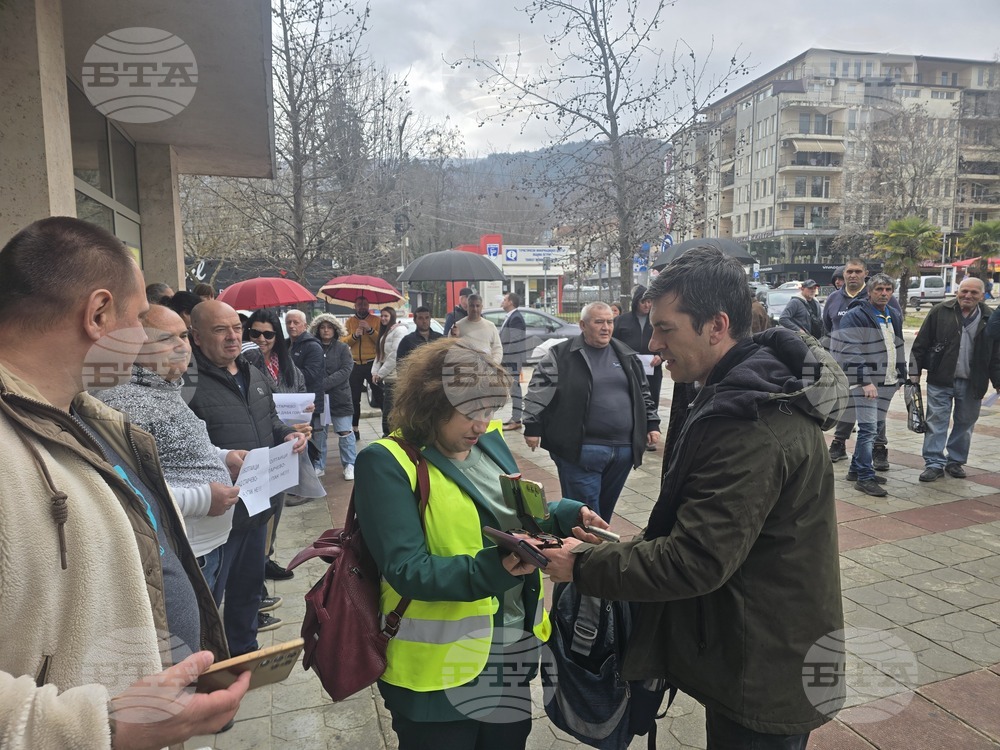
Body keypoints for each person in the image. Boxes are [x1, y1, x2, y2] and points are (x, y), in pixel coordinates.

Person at [544, 245, 847, 749]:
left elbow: (696, 560)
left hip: (762, 667)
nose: (653, 344)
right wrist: (626, 545)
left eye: (665, 328)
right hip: (748, 646)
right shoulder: (734, 391)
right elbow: (709, 526)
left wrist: (583, 566)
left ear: (716, 325)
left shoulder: (750, 419)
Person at [0, 217, 246, 748]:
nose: (141, 341)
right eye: (138, 319)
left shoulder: (91, 422)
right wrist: (100, 727)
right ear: (98, 313)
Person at [353, 338, 608, 750]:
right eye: (471, 411)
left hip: (508, 648)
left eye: (490, 410)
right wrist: (497, 567)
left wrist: (565, 514)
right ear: (432, 403)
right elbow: (406, 569)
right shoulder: (387, 462)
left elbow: (508, 516)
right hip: (437, 671)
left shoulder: (486, 442)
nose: (481, 423)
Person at [96, 304, 243, 598]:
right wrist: (202, 499)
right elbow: (124, 488)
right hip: (182, 554)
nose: (181, 346)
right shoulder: (120, 400)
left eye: (183, 335)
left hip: (205, 547)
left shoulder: (163, 385)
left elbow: (175, 451)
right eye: (165, 338)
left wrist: (223, 457)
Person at [188, 301, 307, 655]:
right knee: (211, 599)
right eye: (219, 330)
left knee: (248, 591)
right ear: (196, 336)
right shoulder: (186, 382)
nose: (232, 337)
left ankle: (245, 655)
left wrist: (287, 434)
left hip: (259, 504)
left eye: (236, 328)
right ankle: (211, 668)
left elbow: (270, 418)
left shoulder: (253, 373)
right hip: (218, 514)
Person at [523, 301, 660, 522]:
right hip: (580, 450)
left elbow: (642, 391)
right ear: (583, 325)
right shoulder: (561, 354)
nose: (606, 327)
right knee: (585, 516)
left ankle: (595, 552)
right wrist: (532, 426)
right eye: (599, 322)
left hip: (623, 451)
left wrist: (651, 422)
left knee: (602, 515)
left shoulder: (625, 354)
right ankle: (582, 553)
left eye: (609, 322)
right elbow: (539, 390)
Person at [242, 309, 311, 602]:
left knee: (275, 512)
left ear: (277, 336)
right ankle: (255, 582)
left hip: (284, 451)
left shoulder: (289, 367)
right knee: (257, 518)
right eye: (254, 333)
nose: (261, 339)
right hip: (257, 450)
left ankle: (266, 559)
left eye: (268, 334)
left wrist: (306, 417)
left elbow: (300, 394)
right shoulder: (244, 364)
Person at [909, 278, 1000, 481]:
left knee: (965, 423)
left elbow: (996, 355)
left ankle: (955, 461)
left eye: (973, 293)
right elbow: (920, 343)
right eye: (964, 291)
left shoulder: (990, 316)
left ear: (983, 295)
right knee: (936, 422)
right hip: (940, 379)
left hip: (973, 381)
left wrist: (998, 381)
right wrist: (914, 373)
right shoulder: (940, 311)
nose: (967, 296)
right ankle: (933, 463)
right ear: (957, 291)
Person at [830, 274, 906, 497]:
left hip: (886, 381)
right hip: (865, 383)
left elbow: (897, 344)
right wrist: (865, 381)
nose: (884, 293)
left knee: (873, 427)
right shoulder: (855, 316)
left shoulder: (892, 314)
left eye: (888, 289)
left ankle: (856, 470)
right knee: (868, 430)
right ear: (870, 292)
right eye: (879, 289)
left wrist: (900, 374)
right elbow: (851, 350)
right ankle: (864, 477)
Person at [612, 285, 663, 450]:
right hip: (627, 369)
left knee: (651, 399)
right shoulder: (622, 320)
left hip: (652, 369)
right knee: (628, 399)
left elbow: (667, 341)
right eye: (643, 302)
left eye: (650, 302)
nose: (647, 305)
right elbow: (612, 343)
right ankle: (629, 432)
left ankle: (650, 433)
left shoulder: (657, 320)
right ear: (636, 302)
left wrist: (661, 356)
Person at [310, 314, 357, 481]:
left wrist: (324, 383)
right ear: (317, 329)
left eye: (329, 327)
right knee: (318, 432)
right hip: (319, 398)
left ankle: (350, 464)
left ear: (335, 329)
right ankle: (318, 464)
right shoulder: (313, 347)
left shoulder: (342, 348)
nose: (326, 330)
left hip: (340, 396)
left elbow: (346, 369)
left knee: (345, 431)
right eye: (322, 327)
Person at [342, 295, 381, 442]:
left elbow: (380, 341)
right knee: (354, 399)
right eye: (359, 304)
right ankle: (355, 428)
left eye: (365, 304)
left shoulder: (376, 321)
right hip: (355, 364)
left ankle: (387, 427)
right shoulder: (350, 322)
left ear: (368, 305)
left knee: (380, 396)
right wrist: (355, 335)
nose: (362, 307)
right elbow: (343, 341)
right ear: (355, 306)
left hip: (372, 363)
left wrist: (370, 330)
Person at [372, 306, 408, 438]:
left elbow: (394, 356)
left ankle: (389, 437)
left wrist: (380, 373)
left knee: (390, 412)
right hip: (388, 378)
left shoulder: (399, 330)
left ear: (392, 316)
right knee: (388, 411)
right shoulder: (385, 332)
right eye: (381, 316)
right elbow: (380, 354)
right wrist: (374, 372)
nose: (383, 318)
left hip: (395, 378)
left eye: (386, 316)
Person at [499, 291, 528, 430]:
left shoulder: (516, 318)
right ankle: (515, 417)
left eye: (505, 299)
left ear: (510, 302)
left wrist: (505, 359)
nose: (502, 301)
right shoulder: (511, 316)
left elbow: (515, 342)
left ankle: (516, 420)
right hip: (511, 360)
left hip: (512, 360)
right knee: (513, 389)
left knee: (515, 390)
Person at [454, 294, 503, 363]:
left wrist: (494, 364)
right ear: (467, 307)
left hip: (487, 370)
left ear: (481, 307)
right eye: (472, 306)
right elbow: (451, 349)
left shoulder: (490, 326)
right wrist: (453, 337)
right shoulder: (457, 326)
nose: (475, 309)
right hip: (465, 369)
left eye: (477, 306)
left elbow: (497, 348)